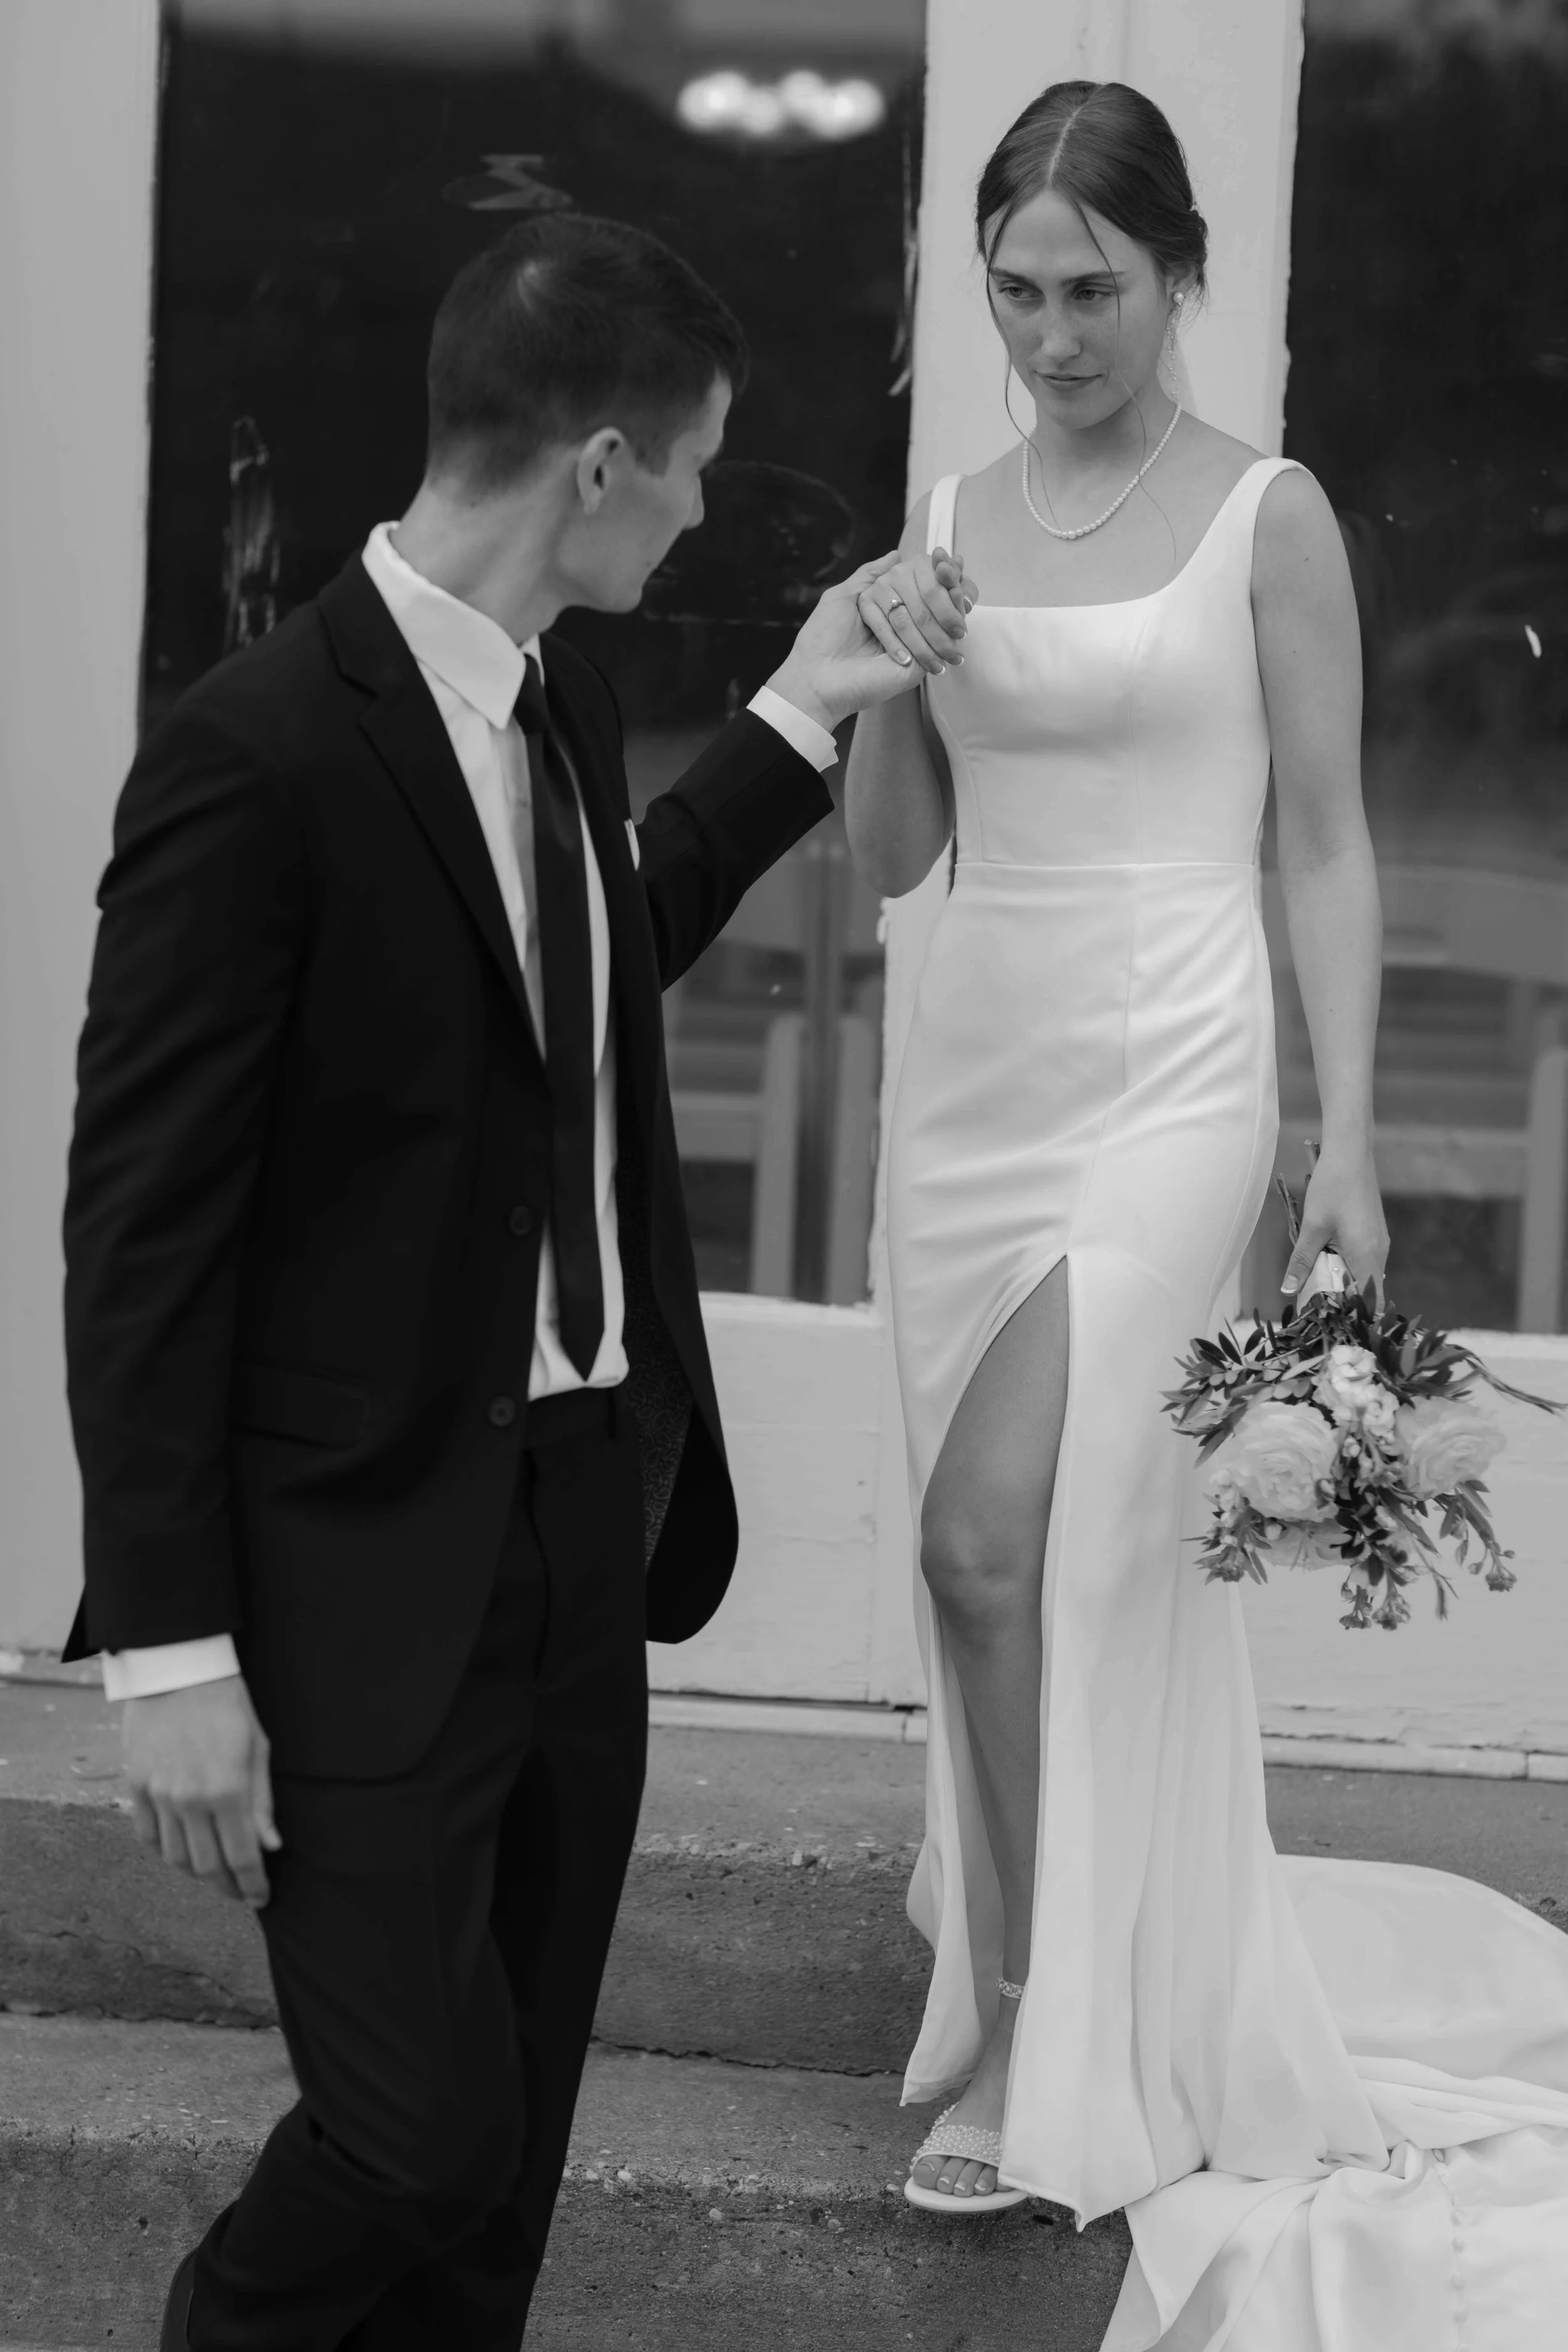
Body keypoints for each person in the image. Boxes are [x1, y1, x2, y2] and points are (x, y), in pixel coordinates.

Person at [60, 211, 968, 2351]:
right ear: (597, 466)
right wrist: (167, 1643)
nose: (695, 511)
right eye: (692, 470)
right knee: (412, 2132)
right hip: (350, 1569)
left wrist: (799, 711)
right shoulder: (250, 754)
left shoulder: (561, 695)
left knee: (506, 2180)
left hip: (578, 1530)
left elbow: (588, 962)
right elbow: (143, 1229)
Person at [845, 77, 1568, 2352]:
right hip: (972, 1071)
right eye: (1016, 291)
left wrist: (1339, 1129)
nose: (1052, 332)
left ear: (1177, 278)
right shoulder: (949, 511)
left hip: (1173, 1071)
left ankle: (1059, 2019)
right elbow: (886, 855)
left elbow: (1325, 841)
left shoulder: (1266, 513)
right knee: (991, 1563)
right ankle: (1030, 1984)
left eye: (1093, 288)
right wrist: (875, 652)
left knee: (1004, 1538)